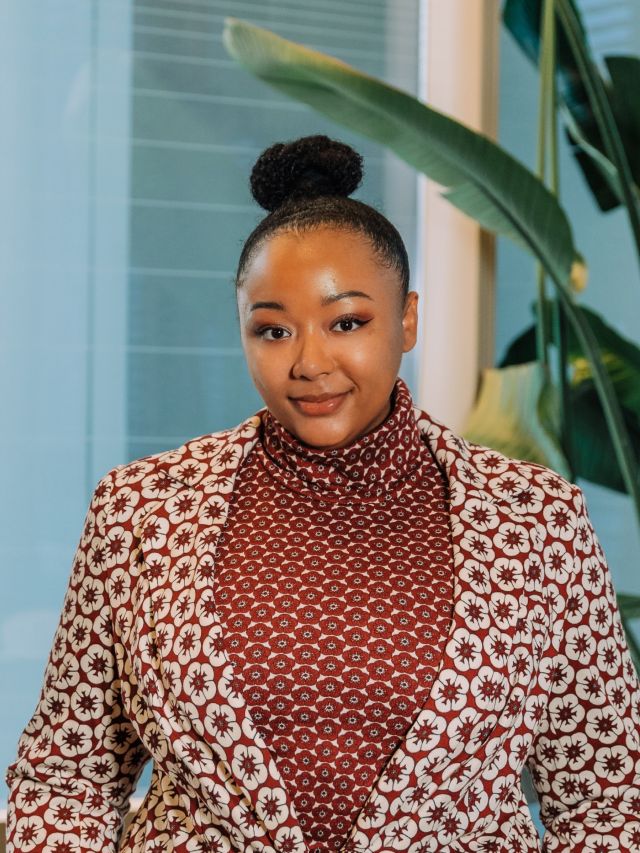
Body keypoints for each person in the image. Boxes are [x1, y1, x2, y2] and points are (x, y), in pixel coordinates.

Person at [5, 134, 640, 853]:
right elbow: (65, 780)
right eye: (272, 329)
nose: (309, 361)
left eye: (348, 322)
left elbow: (607, 801)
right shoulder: (141, 509)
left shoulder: (537, 522)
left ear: (407, 319)